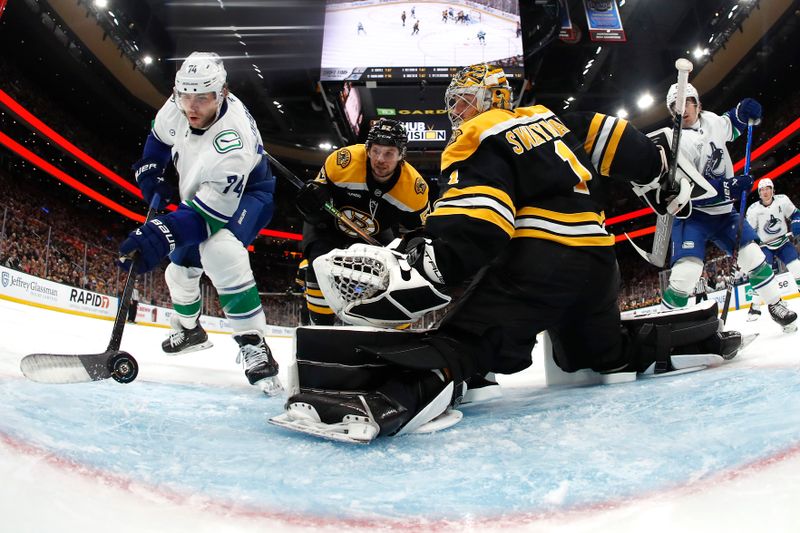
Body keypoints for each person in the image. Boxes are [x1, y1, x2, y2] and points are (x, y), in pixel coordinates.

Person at [271, 63, 746, 443]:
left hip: (540, 261)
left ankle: (384, 400)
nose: (456, 112)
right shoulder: (552, 118)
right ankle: (696, 338)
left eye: (461, 100)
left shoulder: (476, 136)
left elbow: (481, 225)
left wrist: (431, 264)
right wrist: (659, 177)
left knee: (466, 342)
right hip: (599, 264)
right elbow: (619, 141)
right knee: (599, 352)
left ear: (488, 98)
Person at [120, 51, 281, 394]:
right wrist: (150, 171)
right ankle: (190, 329)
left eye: (203, 98)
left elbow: (207, 218)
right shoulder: (181, 100)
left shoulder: (232, 142)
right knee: (177, 272)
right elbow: (159, 139)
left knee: (219, 250)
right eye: (185, 96)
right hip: (201, 190)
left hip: (249, 193)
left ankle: (253, 344)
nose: (191, 107)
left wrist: (159, 235)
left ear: (222, 93)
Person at [659, 82, 797, 332]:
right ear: (672, 112)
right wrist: (726, 187)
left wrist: (743, 110)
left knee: (754, 256)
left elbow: (732, 124)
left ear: (697, 103)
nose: (682, 109)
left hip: (724, 213)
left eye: (687, 102)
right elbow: (684, 191)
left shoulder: (711, 121)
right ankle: (662, 326)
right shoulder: (674, 144)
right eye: (675, 106)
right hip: (692, 216)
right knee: (687, 274)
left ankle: (776, 305)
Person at [295, 118, 430, 325]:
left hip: (376, 234)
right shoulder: (343, 161)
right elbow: (314, 210)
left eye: (389, 153)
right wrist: (311, 202)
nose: (380, 159)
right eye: (375, 151)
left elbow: (418, 235)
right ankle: (319, 327)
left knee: (378, 279)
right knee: (317, 267)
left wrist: (407, 249)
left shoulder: (414, 190)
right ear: (367, 149)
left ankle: (370, 325)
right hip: (329, 224)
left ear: (401, 155)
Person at [745, 177, 800, 320]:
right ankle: (755, 308)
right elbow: (748, 230)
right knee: (763, 276)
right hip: (764, 246)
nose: (765, 192)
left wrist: (796, 222)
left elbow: (795, 213)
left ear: (773, 190)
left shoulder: (782, 200)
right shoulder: (753, 209)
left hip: (782, 241)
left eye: (768, 188)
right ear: (759, 193)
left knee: (796, 267)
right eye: (762, 189)